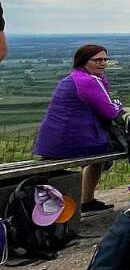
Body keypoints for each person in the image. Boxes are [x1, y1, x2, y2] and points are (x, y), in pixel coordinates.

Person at [33, 44, 123, 212]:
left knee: (99, 153)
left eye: (105, 59)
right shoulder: (88, 81)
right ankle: (87, 200)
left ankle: (87, 201)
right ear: (83, 61)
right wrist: (119, 105)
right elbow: (110, 112)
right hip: (70, 142)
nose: (102, 63)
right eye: (97, 60)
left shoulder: (73, 77)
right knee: (112, 149)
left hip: (51, 141)